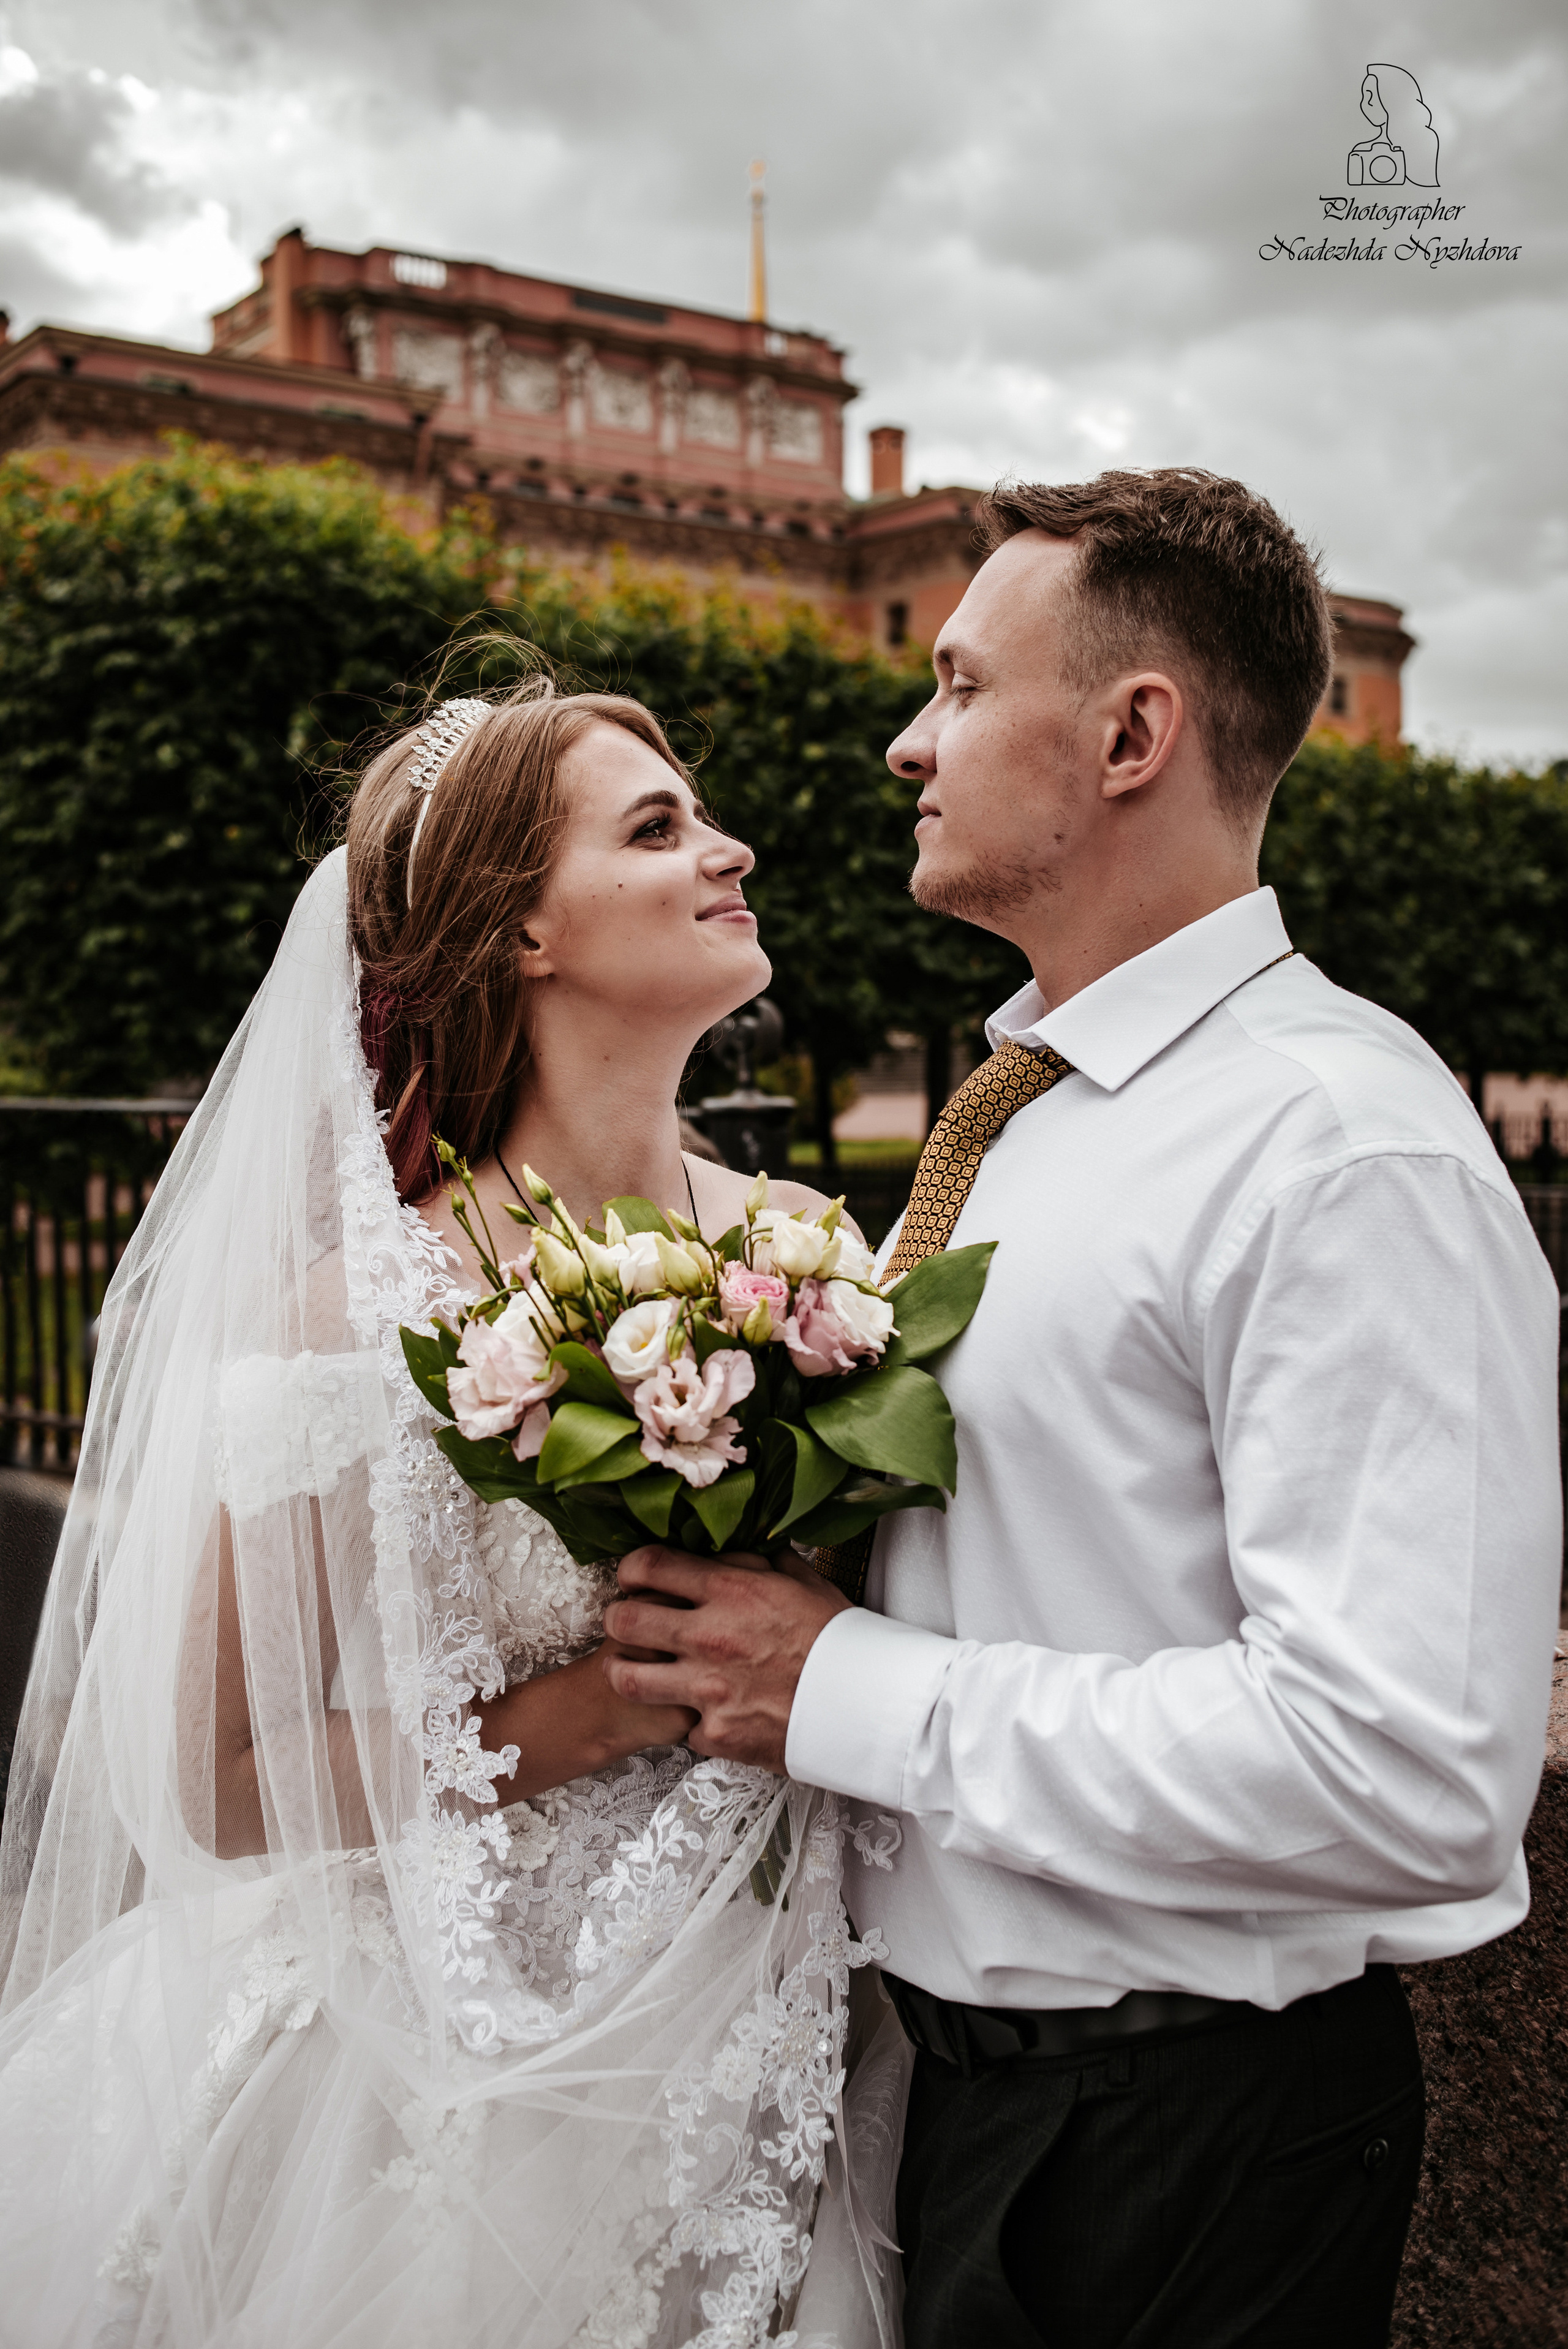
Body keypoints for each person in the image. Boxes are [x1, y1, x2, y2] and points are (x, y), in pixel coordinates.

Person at [602, 469, 1564, 2347]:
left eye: (961, 686)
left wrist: (843, 1687)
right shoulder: (1023, 1113)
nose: (909, 741)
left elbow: (1415, 1775)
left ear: (1133, 736)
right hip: (960, 2098)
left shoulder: (1338, 1145)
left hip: (1182, 2140)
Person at [0, 675, 905, 2347]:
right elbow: (207, 1775)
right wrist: (592, 1708)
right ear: (526, 933)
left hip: (784, 2026)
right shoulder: (367, 1312)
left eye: (703, 818)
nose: (727, 850)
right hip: (453, 2076)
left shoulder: (810, 1249)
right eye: (658, 828)